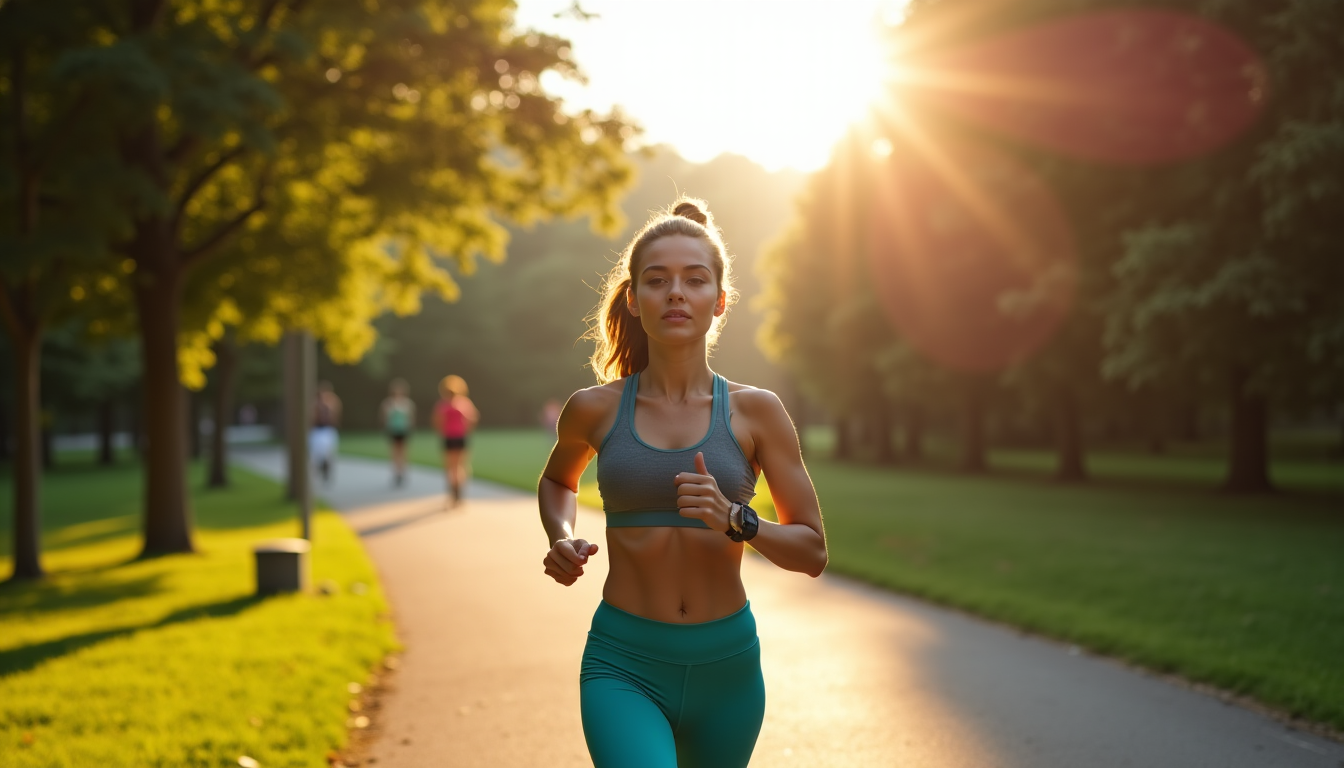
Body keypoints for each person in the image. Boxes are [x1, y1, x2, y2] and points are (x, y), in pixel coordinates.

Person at [538, 198, 828, 768]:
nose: (676, 292)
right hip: (624, 663)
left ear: (719, 302)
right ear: (634, 299)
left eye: (695, 280)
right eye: (657, 280)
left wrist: (737, 518)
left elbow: (812, 551)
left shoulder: (757, 412)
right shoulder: (593, 409)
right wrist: (559, 535)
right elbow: (557, 482)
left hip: (728, 671)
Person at [433, 374, 478, 506]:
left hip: (450, 437)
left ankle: (454, 493)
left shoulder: (443, 405)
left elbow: (437, 421)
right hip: (459, 437)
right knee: (460, 466)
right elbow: (473, 418)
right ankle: (458, 493)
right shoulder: (464, 403)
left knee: (451, 467)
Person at [380, 378, 416, 486]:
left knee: (403, 452)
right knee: (395, 452)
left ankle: (402, 472)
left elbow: (411, 418)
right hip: (393, 430)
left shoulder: (407, 403)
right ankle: (396, 472)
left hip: (403, 430)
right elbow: (384, 417)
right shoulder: (389, 403)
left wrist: (410, 429)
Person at [311, 380, 343, 484]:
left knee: (329, 453)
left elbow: (336, 413)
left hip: (328, 430)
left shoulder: (333, 401)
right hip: (317, 430)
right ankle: (318, 470)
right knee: (317, 453)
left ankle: (327, 470)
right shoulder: (315, 403)